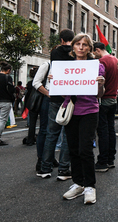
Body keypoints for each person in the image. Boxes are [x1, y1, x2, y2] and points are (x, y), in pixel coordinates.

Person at [61, 33, 105, 205]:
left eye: (85, 45)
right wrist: (56, 82)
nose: (81, 47)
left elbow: (99, 95)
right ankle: (78, 183)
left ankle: (90, 186)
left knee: (85, 149)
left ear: (90, 49)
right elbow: (63, 93)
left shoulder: (97, 66)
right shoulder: (65, 66)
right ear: (73, 47)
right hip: (71, 111)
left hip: (89, 111)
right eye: (78, 44)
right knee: (72, 148)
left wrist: (100, 84)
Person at [36, 29, 74, 181]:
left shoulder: (55, 52)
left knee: (51, 134)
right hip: (70, 98)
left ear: (61, 39)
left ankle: (45, 168)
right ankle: (64, 170)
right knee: (67, 135)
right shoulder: (74, 53)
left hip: (55, 96)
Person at [93, 42, 118, 172]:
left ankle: (102, 161)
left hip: (103, 99)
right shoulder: (115, 60)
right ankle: (110, 159)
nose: (94, 55)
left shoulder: (102, 62)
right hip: (113, 98)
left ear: (98, 50)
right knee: (110, 130)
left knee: (102, 132)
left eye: (94, 53)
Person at [0, 61, 15, 146]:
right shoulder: (8, 78)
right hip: (6, 100)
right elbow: (11, 90)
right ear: (8, 70)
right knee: (2, 120)